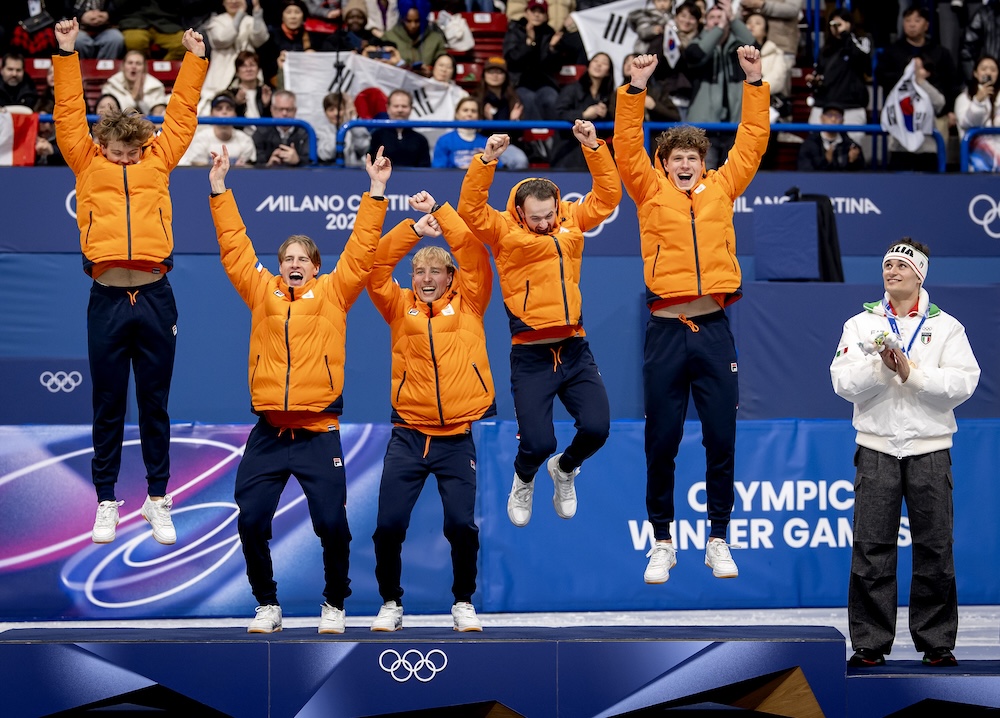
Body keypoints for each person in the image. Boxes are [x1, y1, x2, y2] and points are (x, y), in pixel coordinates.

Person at [208, 145, 392, 634]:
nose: (293, 264)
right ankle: (267, 604)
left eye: (301, 259)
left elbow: (362, 247)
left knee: (332, 526)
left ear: (315, 266)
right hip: (269, 433)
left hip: (318, 433)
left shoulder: (335, 292)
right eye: (286, 258)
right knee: (250, 521)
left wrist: (376, 191)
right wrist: (219, 188)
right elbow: (234, 246)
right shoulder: (260, 290)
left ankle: (334, 603)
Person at [614, 49, 768, 584]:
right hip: (665, 331)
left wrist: (754, 80)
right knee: (662, 439)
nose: (684, 164)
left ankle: (718, 538)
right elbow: (627, 146)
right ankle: (662, 541)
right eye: (676, 157)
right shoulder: (647, 190)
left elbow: (752, 141)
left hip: (715, 330)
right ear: (665, 163)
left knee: (721, 438)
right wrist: (634, 89)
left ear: (703, 164)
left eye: (692, 158)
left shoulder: (723, 188)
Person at [53, 18, 207, 545]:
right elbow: (69, 112)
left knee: (155, 402)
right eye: (116, 152)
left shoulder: (158, 161)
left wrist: (194, 59)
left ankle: (158, 500)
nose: (124, 158)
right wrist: (67, 51)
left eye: (130, 151)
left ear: (142, 147)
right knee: (108, 402)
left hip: (155, 297)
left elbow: (183, 115)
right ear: (103, 148)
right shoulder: (85, 161)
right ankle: (105, 501)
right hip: (107, 298)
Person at [457, 121, 620, 528]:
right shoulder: (501, 231)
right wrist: (487, 160)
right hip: (530, 352)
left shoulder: (572, 221)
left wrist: (594, 147)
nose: (545, 224)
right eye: (536, 218)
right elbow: (470, 209)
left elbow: (610, 196)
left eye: (549, 216)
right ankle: (524, 476)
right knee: (538, 442)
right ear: (519, 213)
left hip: (575, 347)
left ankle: (564, 470)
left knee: (597, 428)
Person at [830, 239, 980, 668]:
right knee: (871, 548)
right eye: (887, 264)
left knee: (934, 548)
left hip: (930, 449)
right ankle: (869, 644)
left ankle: (937, 643)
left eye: (901, 265)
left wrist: (911, 374)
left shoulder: (947, 327)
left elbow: (962, 385)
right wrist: (881, 367)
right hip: (876, 446)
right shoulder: (860, 324)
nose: (891, 271)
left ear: (920, 275)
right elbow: (841, 383)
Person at [366, 190, 495, 633]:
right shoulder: (398, 306)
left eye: (434, 271)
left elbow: (475, 253)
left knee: (461, 525)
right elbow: (375, 267)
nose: (424, 278)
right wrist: (412, 230)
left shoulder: (472, 302)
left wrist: (440, 212)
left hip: (456, 439)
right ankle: (390, 602)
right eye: (418, 271)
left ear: (450, 276)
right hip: (408, 436)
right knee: (388, 526)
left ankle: (462, 601)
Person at [685, 0, 756, 168]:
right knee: (702, 179)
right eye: (713, 18)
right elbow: (696, 55)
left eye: (721, 17)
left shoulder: (739, 47)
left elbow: (755, 47)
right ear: (705, 22)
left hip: (735, 127)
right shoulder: (696, 44)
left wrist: (733, 19)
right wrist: (719, 29)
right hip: (703, 129)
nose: (718, 21)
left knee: (733, 179)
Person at [199, 0, 270, 115]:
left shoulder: (249, 21)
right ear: (223, 2)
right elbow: (222, 39)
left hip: (247, 74)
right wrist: (240, 14)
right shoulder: (216, 21)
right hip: (221, 75)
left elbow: (260, 39)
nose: (234, 1)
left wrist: (257, 12)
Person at [551, 51, 613, 169]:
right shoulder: (572, 89)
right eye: (595, 61)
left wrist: (605, 115)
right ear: (589, 65)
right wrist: (584, 114)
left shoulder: (608, 95)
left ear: (608, 72)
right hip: (567, 151)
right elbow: (558, 113)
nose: (598, 65)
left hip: (593, 155)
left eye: (604, 63)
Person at [180, 91, 256, 165]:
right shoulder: (201, 139)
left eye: (229, 109)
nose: (224, 112)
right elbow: (198, 170)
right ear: (211, 114)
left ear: (235, 114)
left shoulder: (245, 140)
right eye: (219, 109)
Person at [954, 54, 1000, 172]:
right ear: (975, 73)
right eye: (984, 69)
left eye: (993, 69)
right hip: (976, 163)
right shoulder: (964, 98)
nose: (988, 73)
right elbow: (968, 123)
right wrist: (978, 101)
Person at [369, 89, 430, 167]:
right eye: (396, 106)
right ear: (388, 108)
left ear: (411, 109)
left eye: (404, 106)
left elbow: (425, 170)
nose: (400, 110)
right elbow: (371, 166)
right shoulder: (377, 136)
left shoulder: (421, 140)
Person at [797, 102, 864, 171]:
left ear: (842, 121)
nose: (833, 119)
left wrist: (852, 162)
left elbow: (861, 175)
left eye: (838, 116)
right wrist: (826, 162)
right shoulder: (810, 144)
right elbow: (805, 173)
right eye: (829, 115)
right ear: (822, 118)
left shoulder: (850, 146)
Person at [380, 5, 446, 72]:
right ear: (402, 19)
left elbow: (444, 65)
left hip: (425, 80)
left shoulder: (436, 39)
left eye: (417, 21)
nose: (413, 25)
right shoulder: (388, 37)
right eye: (408, 21)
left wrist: (431, 71)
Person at [253, 88, 309, 166]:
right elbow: (254, 164)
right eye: (280, 109)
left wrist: (298, 160)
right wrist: (268, 165)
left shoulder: (305, 132)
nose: (284, 113)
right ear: (272, 110)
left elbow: (312, 163)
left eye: (289, 109)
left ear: (295, 111)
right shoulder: (261, 132)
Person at [101, 49, 168, 113]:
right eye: (130, 63)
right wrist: (133, 97)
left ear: (144, 67)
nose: (134, 66)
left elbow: (157, 115)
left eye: (138, 63)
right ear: (123, 66)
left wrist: (141, 102)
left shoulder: (155, 87)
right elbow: (110, 114)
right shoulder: (111, 85)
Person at [117, 0, 187, 60]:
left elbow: (179, 5)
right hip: (134, 21)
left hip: (165, 22)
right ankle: (142, 68)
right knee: (135, 42)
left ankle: (160, 71)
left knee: (184, 44)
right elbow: (117, 5)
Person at [316, 89, 371, 164]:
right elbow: (325, 155)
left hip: (352, 172)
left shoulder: (352, 128)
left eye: (340, 109)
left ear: (345, 110)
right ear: (325, 112)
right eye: (331, 110)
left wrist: (353, 119)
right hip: (330, 172)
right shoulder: (320, 132)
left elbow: (363, 147)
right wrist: (340, 135)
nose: (336, 113)